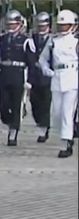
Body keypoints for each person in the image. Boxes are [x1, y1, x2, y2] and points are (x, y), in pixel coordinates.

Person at [37, 9, 78, 158]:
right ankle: (69, 134)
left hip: (72, 78)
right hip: (57, 77)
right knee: (57, 113)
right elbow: (42, 59)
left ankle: (65, 144)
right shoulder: (53, 40)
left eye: (65, 25)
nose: (62, 27)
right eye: (61, 25)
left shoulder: (76, 41)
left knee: (67, 112)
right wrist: (46, 69)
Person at [0, 10, 31, 146]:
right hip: (5, 72)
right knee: (2, 104)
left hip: (18, 73)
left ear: (19, 24)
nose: (10, 27)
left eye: (13, 24)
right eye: (9, 24)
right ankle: (9, 121)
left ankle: (14, 131)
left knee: (16, 103)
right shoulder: (3, 39)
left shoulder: (25, 40)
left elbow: (31, 60)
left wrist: (29, 80)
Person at [27, 12, 53, 142]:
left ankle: (44, 129)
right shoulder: (33, 38)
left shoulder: (53, 39)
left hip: (48, 75)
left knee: (45, 103)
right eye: (40, 26)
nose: (41, 28)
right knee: (34, 102)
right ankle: (39, 122)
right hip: (34, 75)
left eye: (44, 26)